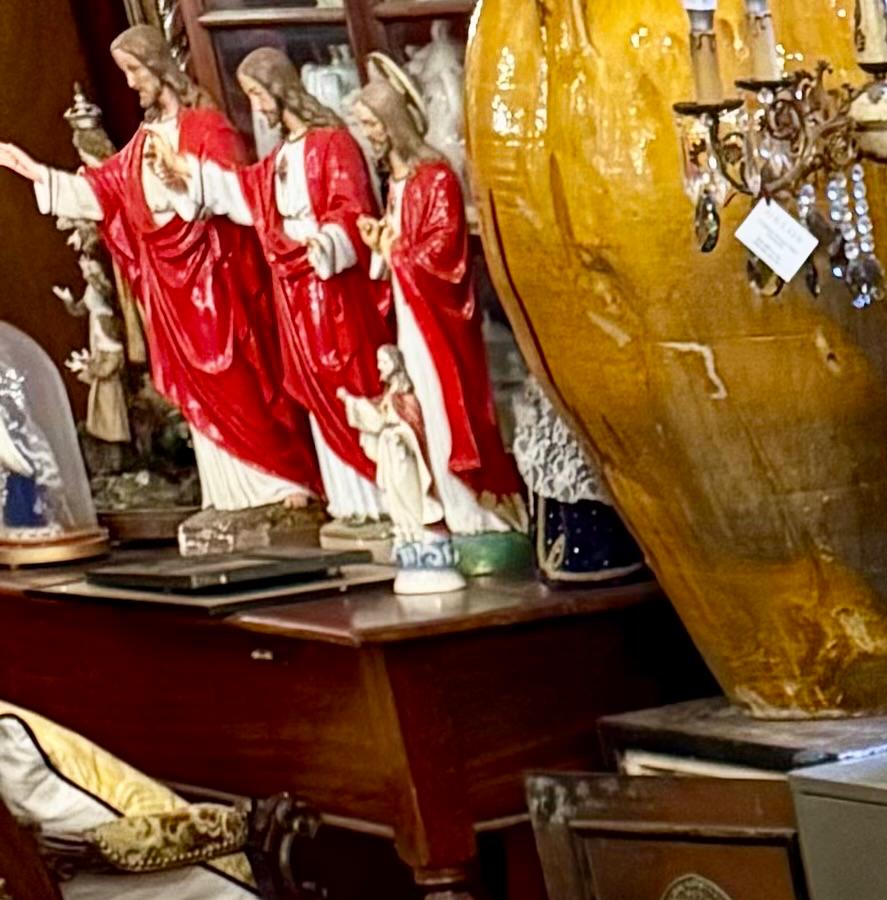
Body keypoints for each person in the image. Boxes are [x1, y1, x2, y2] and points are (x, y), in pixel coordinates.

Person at [0, 28, 315, 523]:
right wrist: (40, 175)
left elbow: (239, 195)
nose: (131, 84)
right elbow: (105, 190)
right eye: (125, 74)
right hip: (174, 289)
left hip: (217, 279)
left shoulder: (207, 128)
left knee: (239, 379)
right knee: (199, 395)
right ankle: (230, 497)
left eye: (136, 72)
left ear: (160, 68)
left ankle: (278, 484)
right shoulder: (144, 141)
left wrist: (188, 182)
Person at [347, 61, 514, 538]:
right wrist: (381, 242)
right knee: (416, 402)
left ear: (392, 123)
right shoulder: (396, 183)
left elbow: (444, 251)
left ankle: (468, 506)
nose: (368, 134)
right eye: (363, 126)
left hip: (436, 318)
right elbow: (400, 245)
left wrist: (391, 249)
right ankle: (438, 500)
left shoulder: (435, 176)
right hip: (408, 312)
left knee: (443, 405)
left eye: (371, 124)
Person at [235, 48, 392, 522]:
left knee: (350, 379)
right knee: (317, 392)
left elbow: (353, 208)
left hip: (334, 289)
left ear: (281, 90)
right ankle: (347, 504)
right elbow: (248, 197)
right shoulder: (279, 155)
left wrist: (325, 242)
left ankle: (383, 499)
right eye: (250, 97)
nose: (258, 107)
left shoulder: (332, 143)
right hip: (296, 292)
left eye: (259, 94)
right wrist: (188, 176)